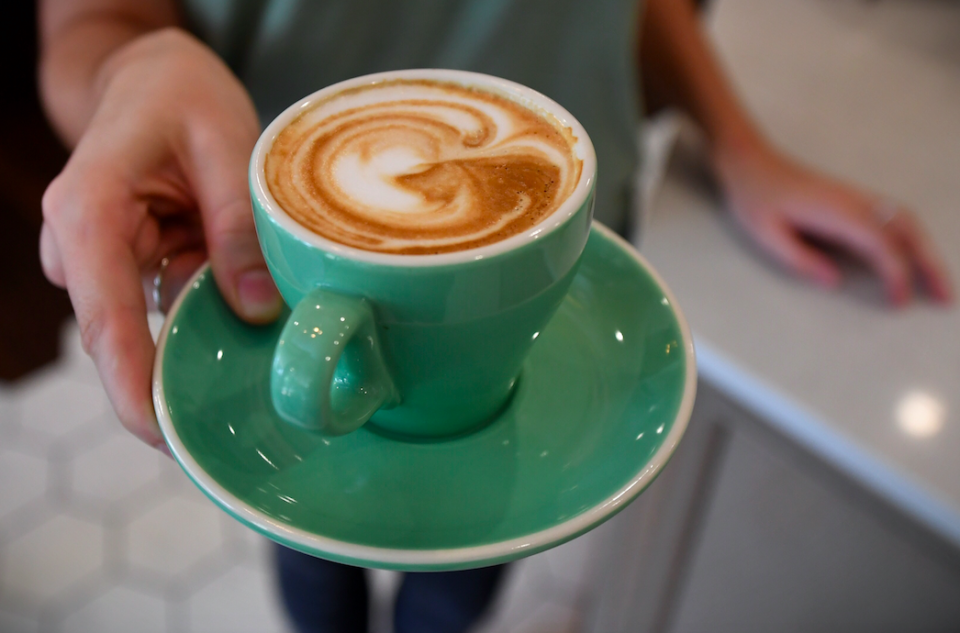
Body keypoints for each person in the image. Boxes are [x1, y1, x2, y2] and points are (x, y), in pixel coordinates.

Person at [37, 1, 954, 632]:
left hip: (559, 232)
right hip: (283, 239)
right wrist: (131, 65)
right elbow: (89, 19)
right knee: (312, 544)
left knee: (476, 549)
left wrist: (740, 145)